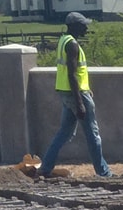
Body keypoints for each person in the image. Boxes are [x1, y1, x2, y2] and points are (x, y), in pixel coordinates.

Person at [40, 13, 111, 179]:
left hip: (67, 92)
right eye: (83, 25)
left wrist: (85, 89)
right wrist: (80, 101)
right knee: (93, 134)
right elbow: (72, 74)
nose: (86, 28)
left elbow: (75, 74)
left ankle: (45, 168)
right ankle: (104, 172)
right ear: (74, 26)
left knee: (65, 132)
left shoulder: (63, 41)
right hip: (75, 95)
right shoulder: (72, 44)